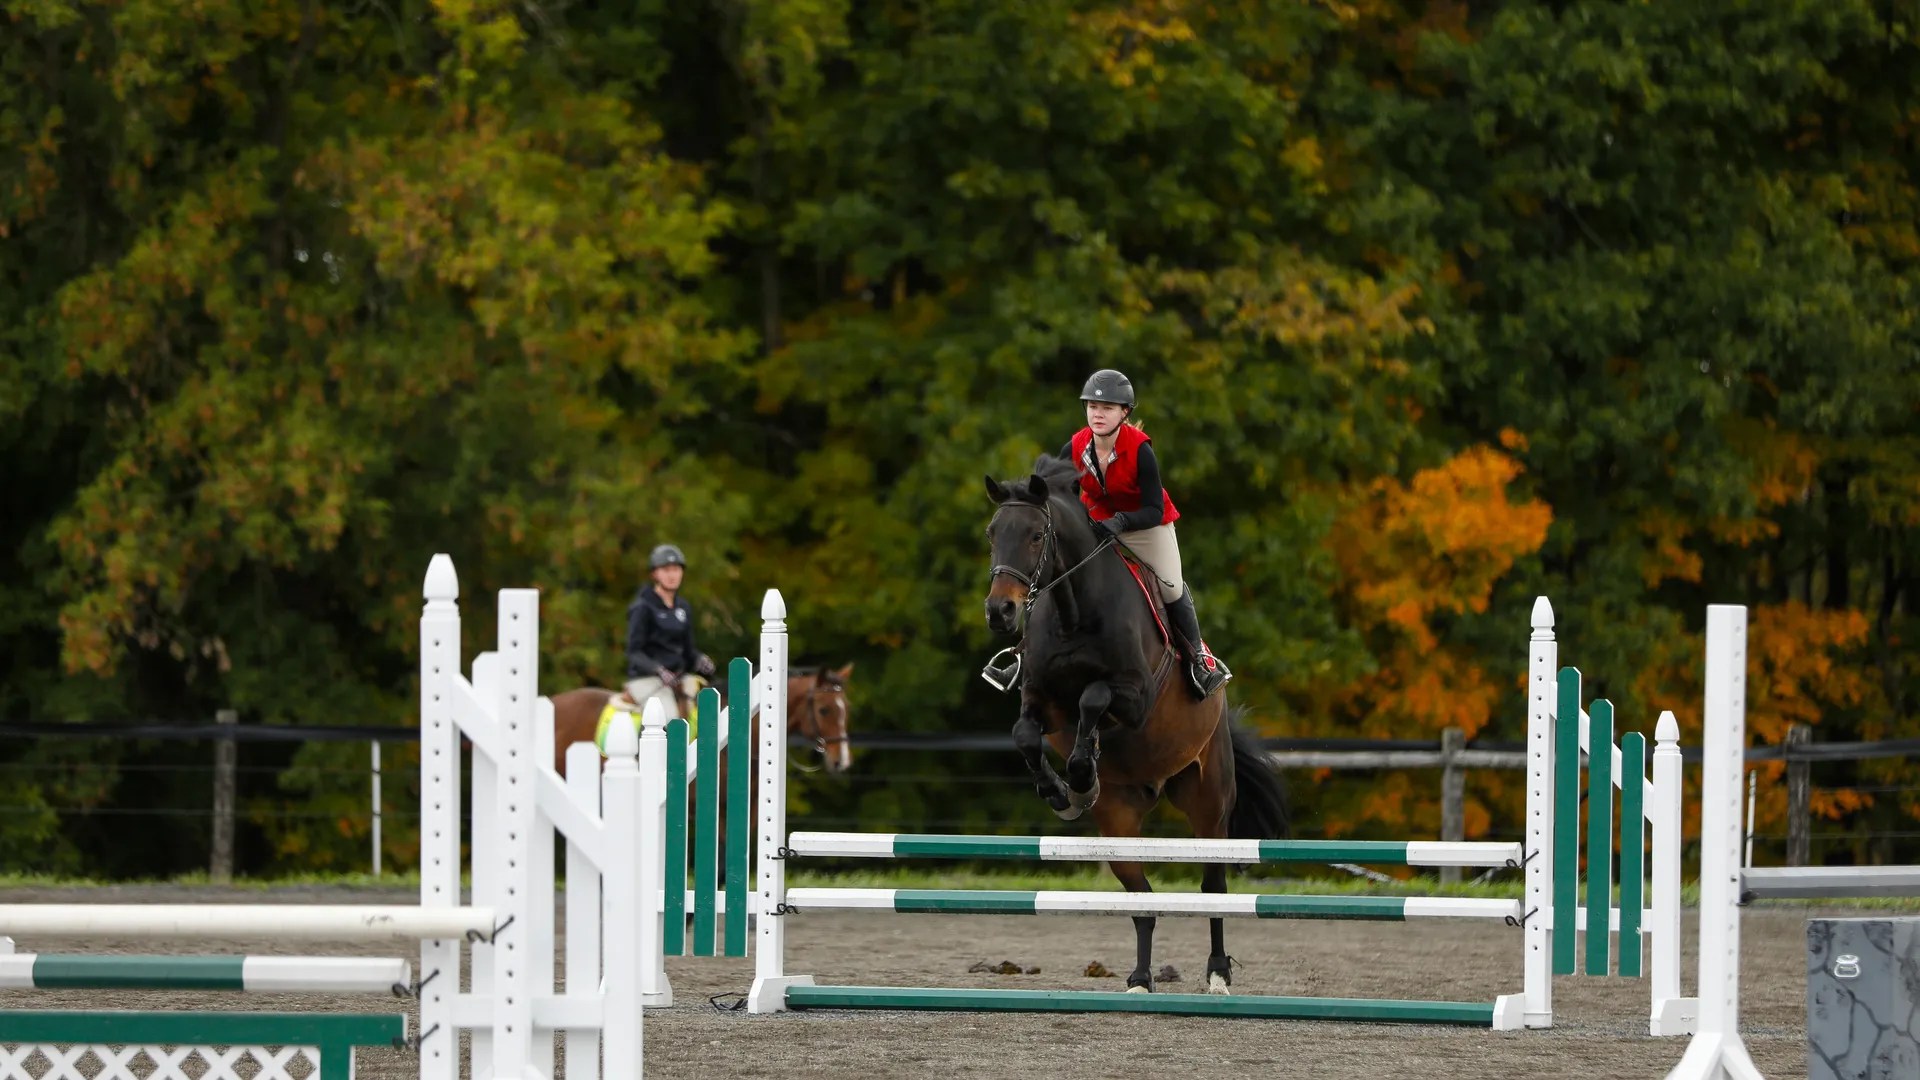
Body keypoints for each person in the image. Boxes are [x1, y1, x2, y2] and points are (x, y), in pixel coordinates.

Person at [1062, 368, 1230, 698]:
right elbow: (1063, 494)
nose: (1098, 414)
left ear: (1124, 413)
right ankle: (1024, 655)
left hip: (1144, 523)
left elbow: (1153, 509)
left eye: (1107, 408)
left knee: (1171, 585)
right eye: (1093, 407)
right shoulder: (1074, 446)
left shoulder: (1140, 450)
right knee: (1058, 569)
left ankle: (1198, 660)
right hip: (1096, 520)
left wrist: (1120, 523)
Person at [624, 543, 716, 719]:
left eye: (676, 569)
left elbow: (688, 651)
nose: (672, 575)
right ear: (655, 574)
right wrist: (658, 670)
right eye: (666, 570)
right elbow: (634, 652)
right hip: (647, 679)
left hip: (679, 678)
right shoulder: (642, 607)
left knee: (711, 705)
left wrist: (700, 659)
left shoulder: (683, 607)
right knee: (668, 716)